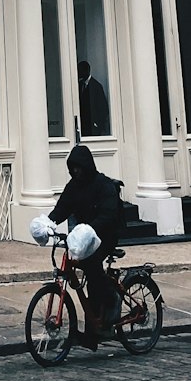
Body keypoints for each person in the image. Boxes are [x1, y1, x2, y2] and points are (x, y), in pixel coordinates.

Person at [49, 143, 123, 344]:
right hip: (84, 235)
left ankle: (111, 299)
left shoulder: (103, 185)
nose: (76, 171)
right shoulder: (73, 186)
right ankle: (93, 327)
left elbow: (109, 214)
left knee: (92, 267)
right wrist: (48, 223)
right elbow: (62, 208)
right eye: (73, 168)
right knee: (84, 271)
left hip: (105, 234)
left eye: (79, 167)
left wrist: (91, 228)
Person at [77, 60, 111, 136]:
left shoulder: (96, 86)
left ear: (86, 71)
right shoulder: (79, 85)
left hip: (92, 127)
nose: (78, 73)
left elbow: (103, 108)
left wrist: (97, 124)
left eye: (80, 71)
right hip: (82, 125)